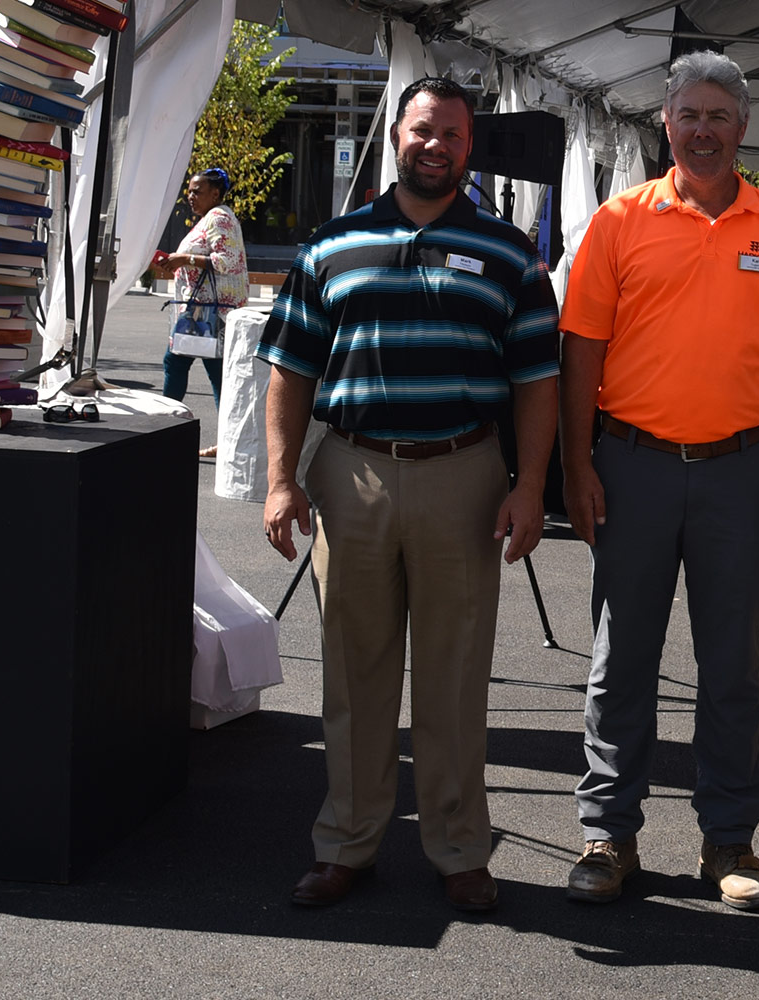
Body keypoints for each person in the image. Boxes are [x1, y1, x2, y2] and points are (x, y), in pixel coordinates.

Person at [255, 76, 561, 914]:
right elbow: (289, 369)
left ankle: (461, 848)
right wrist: (281, 479)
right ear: (396, 136)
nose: (438, 146)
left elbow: (538, 379)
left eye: (454, 135)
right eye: (424, 130)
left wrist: (531, 486)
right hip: (350, 471)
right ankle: (346, 843)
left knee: (456, 676)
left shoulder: (509, 253)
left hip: (464, 475)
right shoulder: (332, 244)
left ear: (470, 147)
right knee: (354, 675)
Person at [558, 50, 759, 912]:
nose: (704, 130)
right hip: (632, 467)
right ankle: (610, 834)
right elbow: (579, 355)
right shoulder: (617, 221)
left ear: (743, 128)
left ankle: (729, 842)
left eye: (720, 116)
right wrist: (577, 465)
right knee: (621, 661)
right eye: (690, 116)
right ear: (666, 125)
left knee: (733, 667)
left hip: (742, 472)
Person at [164, 168, 248, 457]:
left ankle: (162, 431)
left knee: (176, 365)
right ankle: (228, 442)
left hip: (209, 313)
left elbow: (228, 261)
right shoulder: (211, 218)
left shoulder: (219, 218)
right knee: (215, 376)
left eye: (197, 191)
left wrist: (184, 258)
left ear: (215, 193)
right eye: (189, 191)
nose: (190, 196)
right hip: (204, 312)